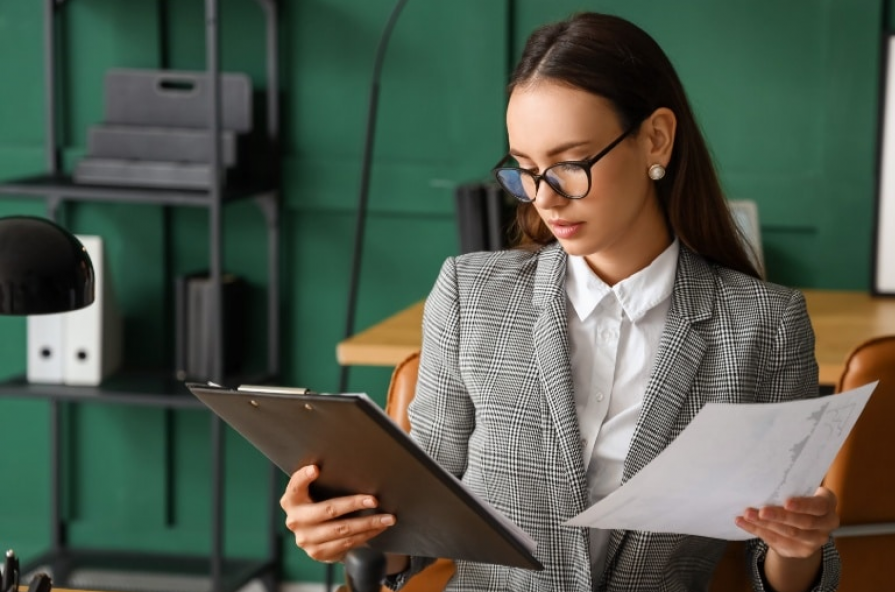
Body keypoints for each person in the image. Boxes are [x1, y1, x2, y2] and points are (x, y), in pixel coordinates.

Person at [282, 11, 841, 592]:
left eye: (570, 165)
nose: (544, 199)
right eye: (526, 170)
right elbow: (419, 521)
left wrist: (797, 545)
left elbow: (776, 562)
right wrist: (352, 532)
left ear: (656, 138)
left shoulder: (765, 326)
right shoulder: (471, 296)